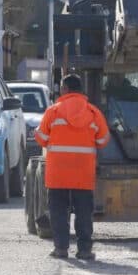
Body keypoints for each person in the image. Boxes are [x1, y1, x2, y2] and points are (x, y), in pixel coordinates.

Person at [35, 73, 109, 260]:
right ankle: (84, 250)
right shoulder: (93, 112)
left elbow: (42, 139)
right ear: (81, 90)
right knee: (84, 212)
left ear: (65, 89)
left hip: (58, 173)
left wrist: (40, 133)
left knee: (58, 211)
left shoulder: (53, 111)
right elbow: (102, 140)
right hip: (83, 173)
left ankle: (61, 248)